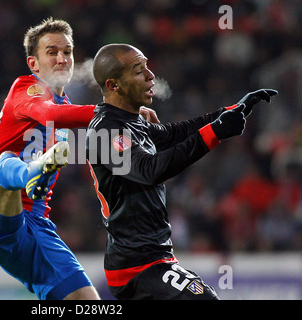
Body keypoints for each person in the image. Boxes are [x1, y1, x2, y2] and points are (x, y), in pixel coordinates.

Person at [0, 19, 158, 300]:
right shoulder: (25, 88)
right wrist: (118, 111)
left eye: (67, 52)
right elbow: (50, 115)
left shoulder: (67, 109)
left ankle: (35, 172)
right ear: (34, 63)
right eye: (52, 52)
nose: (62, 58)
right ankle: (31, 172)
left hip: (36, 227)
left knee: (85, 301)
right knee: (2, 161)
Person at [85, 43, 278, 300]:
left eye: (147, 67)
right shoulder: (106, 131)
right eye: (138, 70)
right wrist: (216, 131)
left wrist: (230, 112)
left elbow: (174, 135)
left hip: (154, 259)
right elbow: (149, 170)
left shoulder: (131, 122)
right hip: (136, 266)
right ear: (113, 85)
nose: (151, 75)